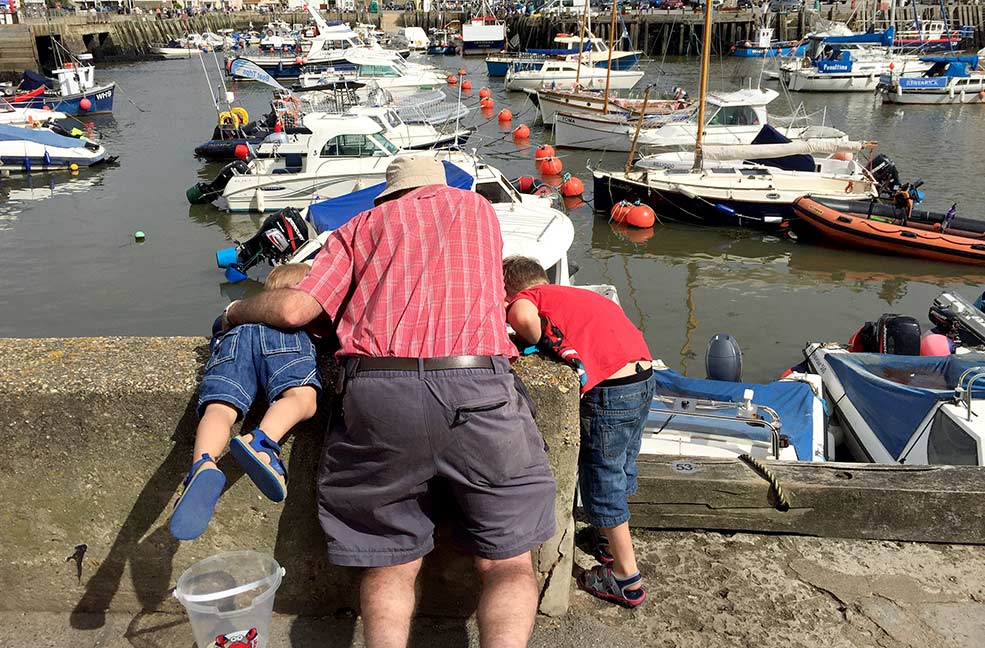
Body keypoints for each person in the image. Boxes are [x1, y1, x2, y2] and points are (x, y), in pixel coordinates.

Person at [219, 156, 557, 648]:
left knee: (390, 563)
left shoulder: (359, 227)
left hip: (379, 394)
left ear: (387, 196)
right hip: (477, 387)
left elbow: (295, 309)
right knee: (508, 562)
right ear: (440, 187)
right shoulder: (481, 213)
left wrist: (234, 311)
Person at [501, 256, 654, 609]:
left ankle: (626, 579)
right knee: (622, 465)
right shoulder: (578, 296)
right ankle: (606, 542)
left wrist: (532, 336)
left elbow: (524, 318)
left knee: (602, 479)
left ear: (511, 291)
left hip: (611, 390)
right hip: (643, 378)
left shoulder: (529, 299)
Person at [169, 263, 321, 541]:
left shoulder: (242, 317)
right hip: (285, 339)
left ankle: (203, 463)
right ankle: (262, 442)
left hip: (235, 338)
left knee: (220, 408)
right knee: (302, 397)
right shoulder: (297, 318)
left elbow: (218, 328)